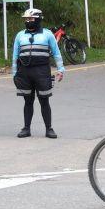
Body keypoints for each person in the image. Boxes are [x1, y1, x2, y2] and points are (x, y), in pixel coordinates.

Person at [12, 8, 64, 139]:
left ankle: (49, 129)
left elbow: (56, 53)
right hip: (24, 72)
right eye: (26, 19)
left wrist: (60, 69)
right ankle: (26, 128)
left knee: (44, 101)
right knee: (27, 101)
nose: (28, 21)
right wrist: (14, 73)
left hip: (42, 72)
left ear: (38, 19)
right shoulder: (20, 35)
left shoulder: (47, 35)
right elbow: (15, 55)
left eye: (31, 19)